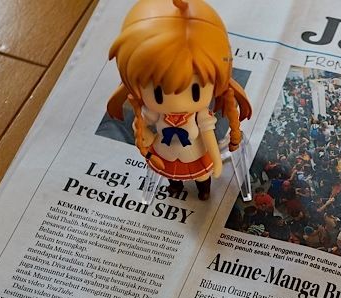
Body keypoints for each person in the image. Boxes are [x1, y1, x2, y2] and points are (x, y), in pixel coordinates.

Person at [107, 0, 251, 200]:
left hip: (195, 153)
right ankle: (175, 186)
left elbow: (208, 137)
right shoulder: (153, 113)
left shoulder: (201, 115)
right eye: (158, 93)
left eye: (195, 91)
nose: (177, 103)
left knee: (202, 176)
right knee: (172, 178)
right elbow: (141, 126)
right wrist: (144, 135)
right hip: (165, 154)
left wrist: (216, 161)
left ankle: (204, 189)